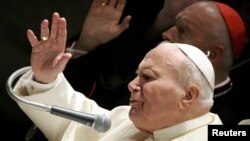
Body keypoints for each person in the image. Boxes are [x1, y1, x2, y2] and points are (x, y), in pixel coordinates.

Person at [12, 13, 222, 139]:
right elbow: (73, 124)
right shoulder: (129, 119)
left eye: (147, 77)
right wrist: (46, 79)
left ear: (188, 96)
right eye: (136, 75)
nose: (132, 85)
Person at [65, 0, 247, 125]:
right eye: (173, 24)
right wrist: (87, 44)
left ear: (213, 54)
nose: (166, 34)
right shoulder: (153, 69)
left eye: (183, 31)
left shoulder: (232, 122)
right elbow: (94, 107)